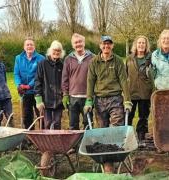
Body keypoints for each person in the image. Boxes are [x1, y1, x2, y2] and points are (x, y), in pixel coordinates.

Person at [84, 35, 132, 173]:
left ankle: (111, 155)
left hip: (115, 99)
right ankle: (106, 157)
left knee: (115, 128)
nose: (106, 47)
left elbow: (124, 81)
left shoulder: (117, 61)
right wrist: (88, 100)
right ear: (100, 46)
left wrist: (127, 100)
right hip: (99, 100)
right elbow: (90, 81)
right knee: (102, 130)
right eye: (104, 44)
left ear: (112, 46)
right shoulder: (94, 62)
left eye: (109, 44)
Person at [62, 33, 94, 130]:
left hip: (87, 97)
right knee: (73, 124)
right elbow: (65, 78)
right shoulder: (68, 59)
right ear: (73, 45)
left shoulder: (93, 58)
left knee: (88, 123)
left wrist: (92, 96)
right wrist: (65, 94)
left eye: (80, 42)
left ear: (84, 43)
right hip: (73, 97)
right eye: (76, 42)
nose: (78, 44)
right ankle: (75, 144)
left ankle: (87, 144)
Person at [126, 35, 153, 142]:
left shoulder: (150, 58)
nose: (141, 45)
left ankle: (141, 138)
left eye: (143, 43)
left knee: (143, 117)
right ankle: (128, 137)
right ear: (135, 45)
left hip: (145, 93)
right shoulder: (129, 58)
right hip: (131, 92)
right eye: (139, 43)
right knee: (129, 116)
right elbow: (124, 75)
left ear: (146, 45)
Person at [14, 37, 44, 129]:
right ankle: (29, 137)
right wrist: (19, 85)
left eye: (31, 44)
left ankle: (43, 136)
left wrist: (29, 85)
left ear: (34, 47)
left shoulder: (41, 58)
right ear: (24, 47)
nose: (29, 46)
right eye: (27, 44)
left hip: (38, 91)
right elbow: (16, 73)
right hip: (25, 93)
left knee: (41, 115)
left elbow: (39, 75)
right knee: (27, 116)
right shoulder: (18, 58)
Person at [34, 40, 65, 129]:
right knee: (47, 123)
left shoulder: (62, 65)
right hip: (46, 100)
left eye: (58, 51)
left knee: (57, 123)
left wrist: (65, 96)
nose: (56, 52)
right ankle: (47, 142)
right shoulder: (42, 64)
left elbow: (65, 82)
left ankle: (57, 142)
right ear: (50, 51)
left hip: (58, 100)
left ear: (61, 52)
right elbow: (37, 81)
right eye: (54, 50)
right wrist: (38, 100)